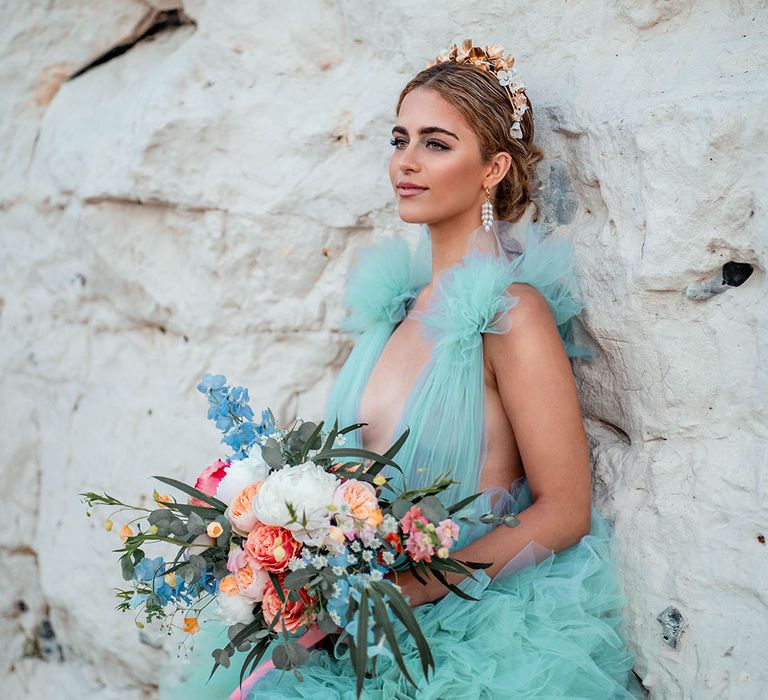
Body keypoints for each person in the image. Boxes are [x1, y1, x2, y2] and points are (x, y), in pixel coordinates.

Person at [160, 41, 644, 699]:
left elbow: (564, 510)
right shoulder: (391, 312)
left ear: (493, 167)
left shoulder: (509, 313)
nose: (405, 163)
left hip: (462, 631)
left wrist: (403, 592)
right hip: (340, 624)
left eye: (436, 144)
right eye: (399, 139)